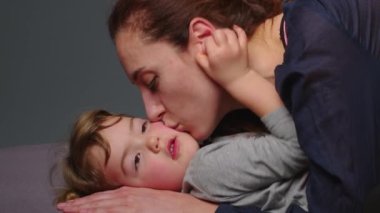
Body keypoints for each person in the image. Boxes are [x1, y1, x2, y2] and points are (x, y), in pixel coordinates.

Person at [58, 0, 380, 212]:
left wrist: (196, 210)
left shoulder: (318, 55)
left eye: (152, 82)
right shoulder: (227, 136)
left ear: (203, 37)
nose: (151, 113)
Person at [57, 28, 308, 211]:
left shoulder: (209, 148)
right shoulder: (205, 170)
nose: (153, 141)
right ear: (135, 194)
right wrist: (239, 77)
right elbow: (302, 144)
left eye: (143, 127)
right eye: (135, 160)